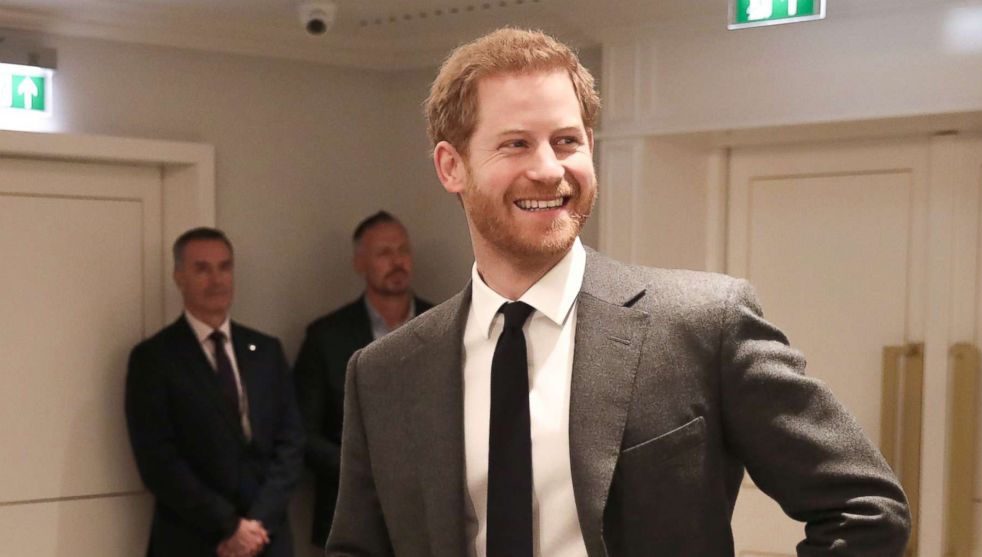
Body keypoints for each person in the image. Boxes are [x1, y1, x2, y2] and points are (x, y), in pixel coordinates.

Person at [327, 28, 911, 557]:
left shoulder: (704, 326)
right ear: (451, 167)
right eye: (515, 144)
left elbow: (866, 511)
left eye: (566, 141)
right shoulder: (384, 373)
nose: (550, 169)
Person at [125, 227, 304, 557]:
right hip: (193, 539)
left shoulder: (265, 350)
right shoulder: (154, 359)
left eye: (224, 267)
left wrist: (256, 525)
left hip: (267, 538)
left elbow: (290, 443)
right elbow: (158, 462)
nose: (216, 280)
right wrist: (229, 527)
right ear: (179, 276)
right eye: (202, 269)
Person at [294, 211, 433, 547]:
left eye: (403, 250)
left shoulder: (445, 325)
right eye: (384, 253)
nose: (397, 261)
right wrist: (367, 472)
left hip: (431, 516)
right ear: (359, 262)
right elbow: (302, 434)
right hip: (350, 520)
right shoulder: (325, 337)